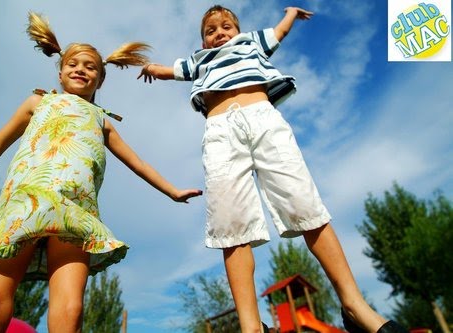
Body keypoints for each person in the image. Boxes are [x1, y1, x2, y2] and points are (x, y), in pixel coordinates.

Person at [137, 5, 408, 333]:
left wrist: (291, 13)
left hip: (264, 121)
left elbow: (278, 33)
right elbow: (171, 71)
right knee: (231, 221)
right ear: (204, 40)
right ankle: (250, 326)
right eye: (211, 30)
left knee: (304, 203)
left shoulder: (251, 42)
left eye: (227, 27)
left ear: (238, 31)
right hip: (221, 130)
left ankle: (354, 305)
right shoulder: (199, 59)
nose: (220, 33)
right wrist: (151, 67)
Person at [0, 11, 202, 333]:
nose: (81, 70)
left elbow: (137, 162)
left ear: (100, 78)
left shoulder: (102, 119)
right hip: (23, 207)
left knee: (70, 309)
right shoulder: (38, 103)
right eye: (73, 64)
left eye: (90, 67)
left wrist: (171, 190)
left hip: (75, 212)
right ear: (60, 72)